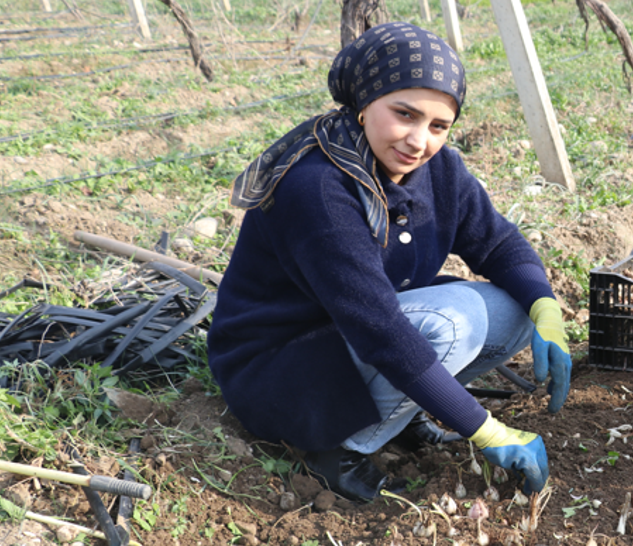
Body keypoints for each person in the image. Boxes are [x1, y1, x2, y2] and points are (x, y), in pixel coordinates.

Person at [208, 22, 571, 503]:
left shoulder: (436, 169)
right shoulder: (318, 187)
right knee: (450, 323)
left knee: (514, 309)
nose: (419, 141)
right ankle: (338, 447)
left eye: (438, 126)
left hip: (348, 342)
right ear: (363, 105)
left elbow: (498, 243)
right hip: (285, 368)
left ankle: (395, 417)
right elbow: (379, 327)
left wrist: (546, 308)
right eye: (405, 114)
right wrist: (483, 429)